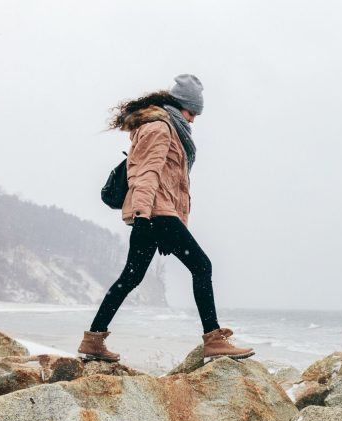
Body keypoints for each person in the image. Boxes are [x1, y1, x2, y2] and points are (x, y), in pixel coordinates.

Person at [78, 74, 254, 362]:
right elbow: (146, 173)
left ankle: (93, 339)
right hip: (154, 213)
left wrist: (152, 220)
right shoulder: (161, 128)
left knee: (130, 277)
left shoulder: (164, 127)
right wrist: (145, 217)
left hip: (155, 214)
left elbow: (170, 182)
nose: (194, 119)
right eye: (192, 112)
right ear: (180, 106)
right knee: (202, 266)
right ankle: (213, 339)